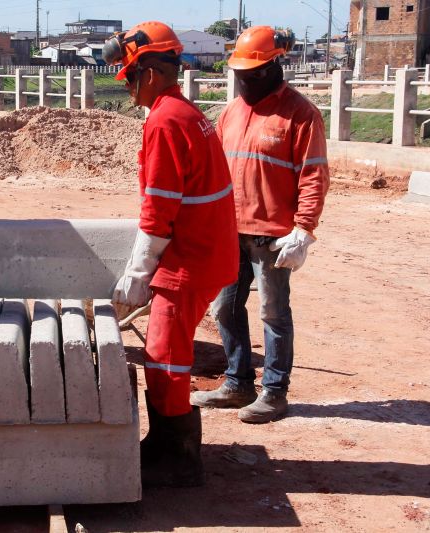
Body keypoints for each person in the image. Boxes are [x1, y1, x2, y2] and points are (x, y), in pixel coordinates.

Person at [105, 21, 239, 487]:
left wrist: (139, 273)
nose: (124, 85)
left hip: (191, 260)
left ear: (150, 72)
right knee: (167, 352)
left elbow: (160, 208)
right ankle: (169, 443)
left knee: (164, 356)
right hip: (204, 252)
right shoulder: (182, 111)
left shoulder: (164, 121)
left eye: (127, 75)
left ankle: (177, 454)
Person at [191, 26, 329, 424]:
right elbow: (215, 170)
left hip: (273, 237)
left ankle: (274, 391)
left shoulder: (301, 114)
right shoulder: (232, 111)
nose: (245, 81)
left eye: (253, 74)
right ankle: (238, 383)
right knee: (224, 308)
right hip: (229, 231)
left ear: (273, 67)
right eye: (240, 74)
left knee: (273, 313)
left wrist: (303, 229)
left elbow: (314, 175)